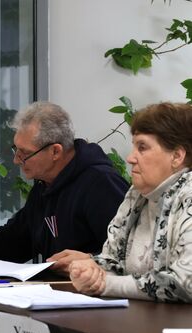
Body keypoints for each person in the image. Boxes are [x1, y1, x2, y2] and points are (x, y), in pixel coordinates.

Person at [0, 101, 129, 274]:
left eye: (25, 153)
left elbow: (129, 254)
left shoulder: (101, 184)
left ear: (55, 151)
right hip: (56, 297)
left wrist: (90, 260)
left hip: (96, 302)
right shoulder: (43, 187)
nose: (16, 160)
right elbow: (10, 244)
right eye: (16, 150)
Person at [69, 102, 192, 302]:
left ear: (177, 156)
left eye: (142, 147)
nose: (130, 158)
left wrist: (105, 284)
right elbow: (111, 261)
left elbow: (185, 282)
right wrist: (90, 270)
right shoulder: (137, 194)